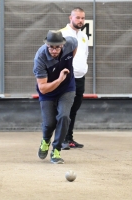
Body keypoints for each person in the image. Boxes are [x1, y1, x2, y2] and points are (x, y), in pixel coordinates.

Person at [33, 30, 78, 164]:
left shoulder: (70, 43)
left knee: (64, 116)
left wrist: (67, 62)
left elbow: (75, 46)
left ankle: (56, 150)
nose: (54, 50)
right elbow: (43, 87)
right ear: (47, 45)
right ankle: (46, 140)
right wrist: (59, 79)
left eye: (57, 47)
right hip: (48, 91)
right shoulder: (40, 58)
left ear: (62, 45)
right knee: (49, 123)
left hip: (67, 88)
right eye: (51, 47)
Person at [60, 7, 89, 150]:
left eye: (82, 18)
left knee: (74, 109)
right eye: (77, 17)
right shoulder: (62, 34)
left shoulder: (84, 35)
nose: (80, 20)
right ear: (70, 18)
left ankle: (69, 138)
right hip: (66, 78)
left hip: (80, 77)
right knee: (64, 109)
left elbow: (84, 55)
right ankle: (61, 139)